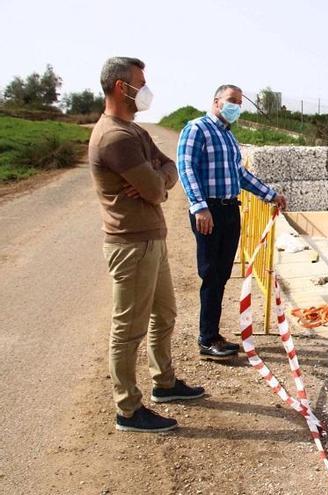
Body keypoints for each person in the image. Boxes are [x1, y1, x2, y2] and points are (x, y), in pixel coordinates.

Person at [90, 57, 204, 433]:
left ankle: (165, 383)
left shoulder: (132, 130)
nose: (147, 88)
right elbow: (157, 188)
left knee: (165, 314)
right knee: (128, 328)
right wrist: (158, 180)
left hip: (152, 240)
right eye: (141, 82)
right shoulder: (115, 137)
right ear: (122, 87)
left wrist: (158, 176)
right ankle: (127, 409)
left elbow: (166, 168)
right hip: (132, 244)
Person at [177, 85, 287, 360]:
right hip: (209, 211)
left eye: (239, 102)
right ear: (216, 101)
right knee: (212, 274)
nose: (236, 106)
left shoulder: (228, 137)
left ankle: (212, 334)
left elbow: (241, 175)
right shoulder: (197, 128)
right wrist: (199, 207)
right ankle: (207, 338)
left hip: (229, 210)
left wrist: (270, 195)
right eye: (231, 101)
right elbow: (186, 167)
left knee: (222, 273)